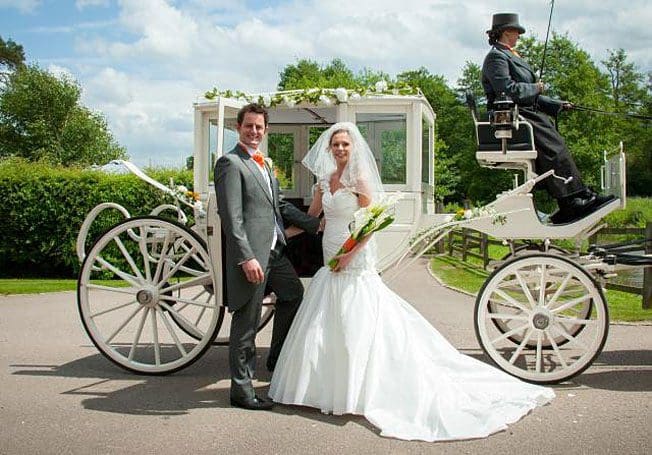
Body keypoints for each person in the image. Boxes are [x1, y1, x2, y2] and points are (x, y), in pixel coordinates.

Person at [268, 122, 555, 441]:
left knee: (356, 315)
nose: (340, 149)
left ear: (353, 147)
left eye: (345, 144)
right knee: (326, 319)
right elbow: (314, 219)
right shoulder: (323, 181)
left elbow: (370, 224)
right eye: (336, 144)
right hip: (330, 249)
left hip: (354, 254)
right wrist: (278, 236)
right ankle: (325, 387)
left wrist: (349, 254)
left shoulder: (360, 180)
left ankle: (359, 388)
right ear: (329, 148)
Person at [214, 103, 321, 410]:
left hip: (274, 251)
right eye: (248, 126)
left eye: (259, 127)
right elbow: (231, 217)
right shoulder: (230, 163)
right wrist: (246, 257)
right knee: (246, 322)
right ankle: (241, 391)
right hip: (252, 255)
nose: (254, 131)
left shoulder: (264, 163)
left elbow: (279, 206)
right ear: (238, 127)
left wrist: (314, 224)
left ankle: (276, 358)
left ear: (266, 130)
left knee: (293, 294)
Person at [481, 13, 614, 224]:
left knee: (555, 145)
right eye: (517, 32)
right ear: (506, 32)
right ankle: (573, 200)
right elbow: (508, 90)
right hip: (511, 116)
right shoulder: (496, 57)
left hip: (524, 113)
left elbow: (530, 95)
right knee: (555, 147)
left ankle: (573, 198)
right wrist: (536, 87)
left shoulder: (510, 55)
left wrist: (556, 104)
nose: (519, 36)